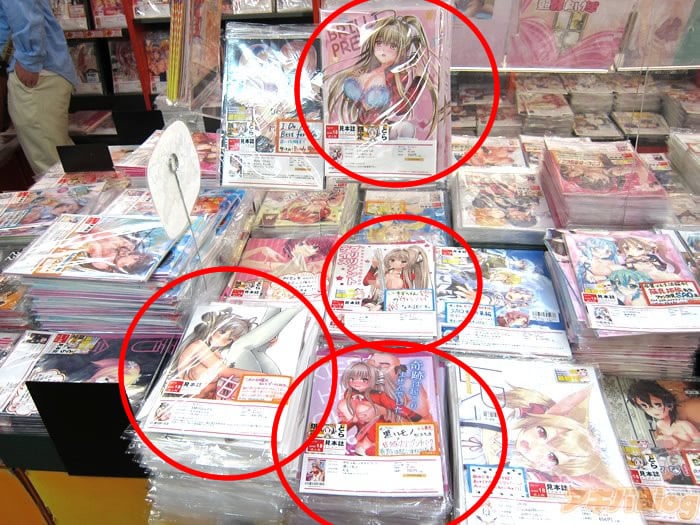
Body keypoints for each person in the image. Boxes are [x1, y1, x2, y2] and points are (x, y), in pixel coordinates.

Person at [325, 12, 439, 139]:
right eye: (379, 43)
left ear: (403, 50)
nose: (383, 49)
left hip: (379, 131)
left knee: (406, 129)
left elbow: (401, 108)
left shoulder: (395, 77)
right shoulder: (365, 70)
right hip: (359, 129)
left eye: (392, 46)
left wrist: (418, 80)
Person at [0, 0, 78, 175]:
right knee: (58, 159)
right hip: (37, 71)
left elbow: (23, 14)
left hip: (36, 74)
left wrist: (29, 61)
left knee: (52, 167)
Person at [627, 380, 700, 449]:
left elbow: (697, 440)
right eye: (645, 407)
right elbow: (662, 445)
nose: (652, 410)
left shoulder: (684, 423)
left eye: (657, 404)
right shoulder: (660, 425)